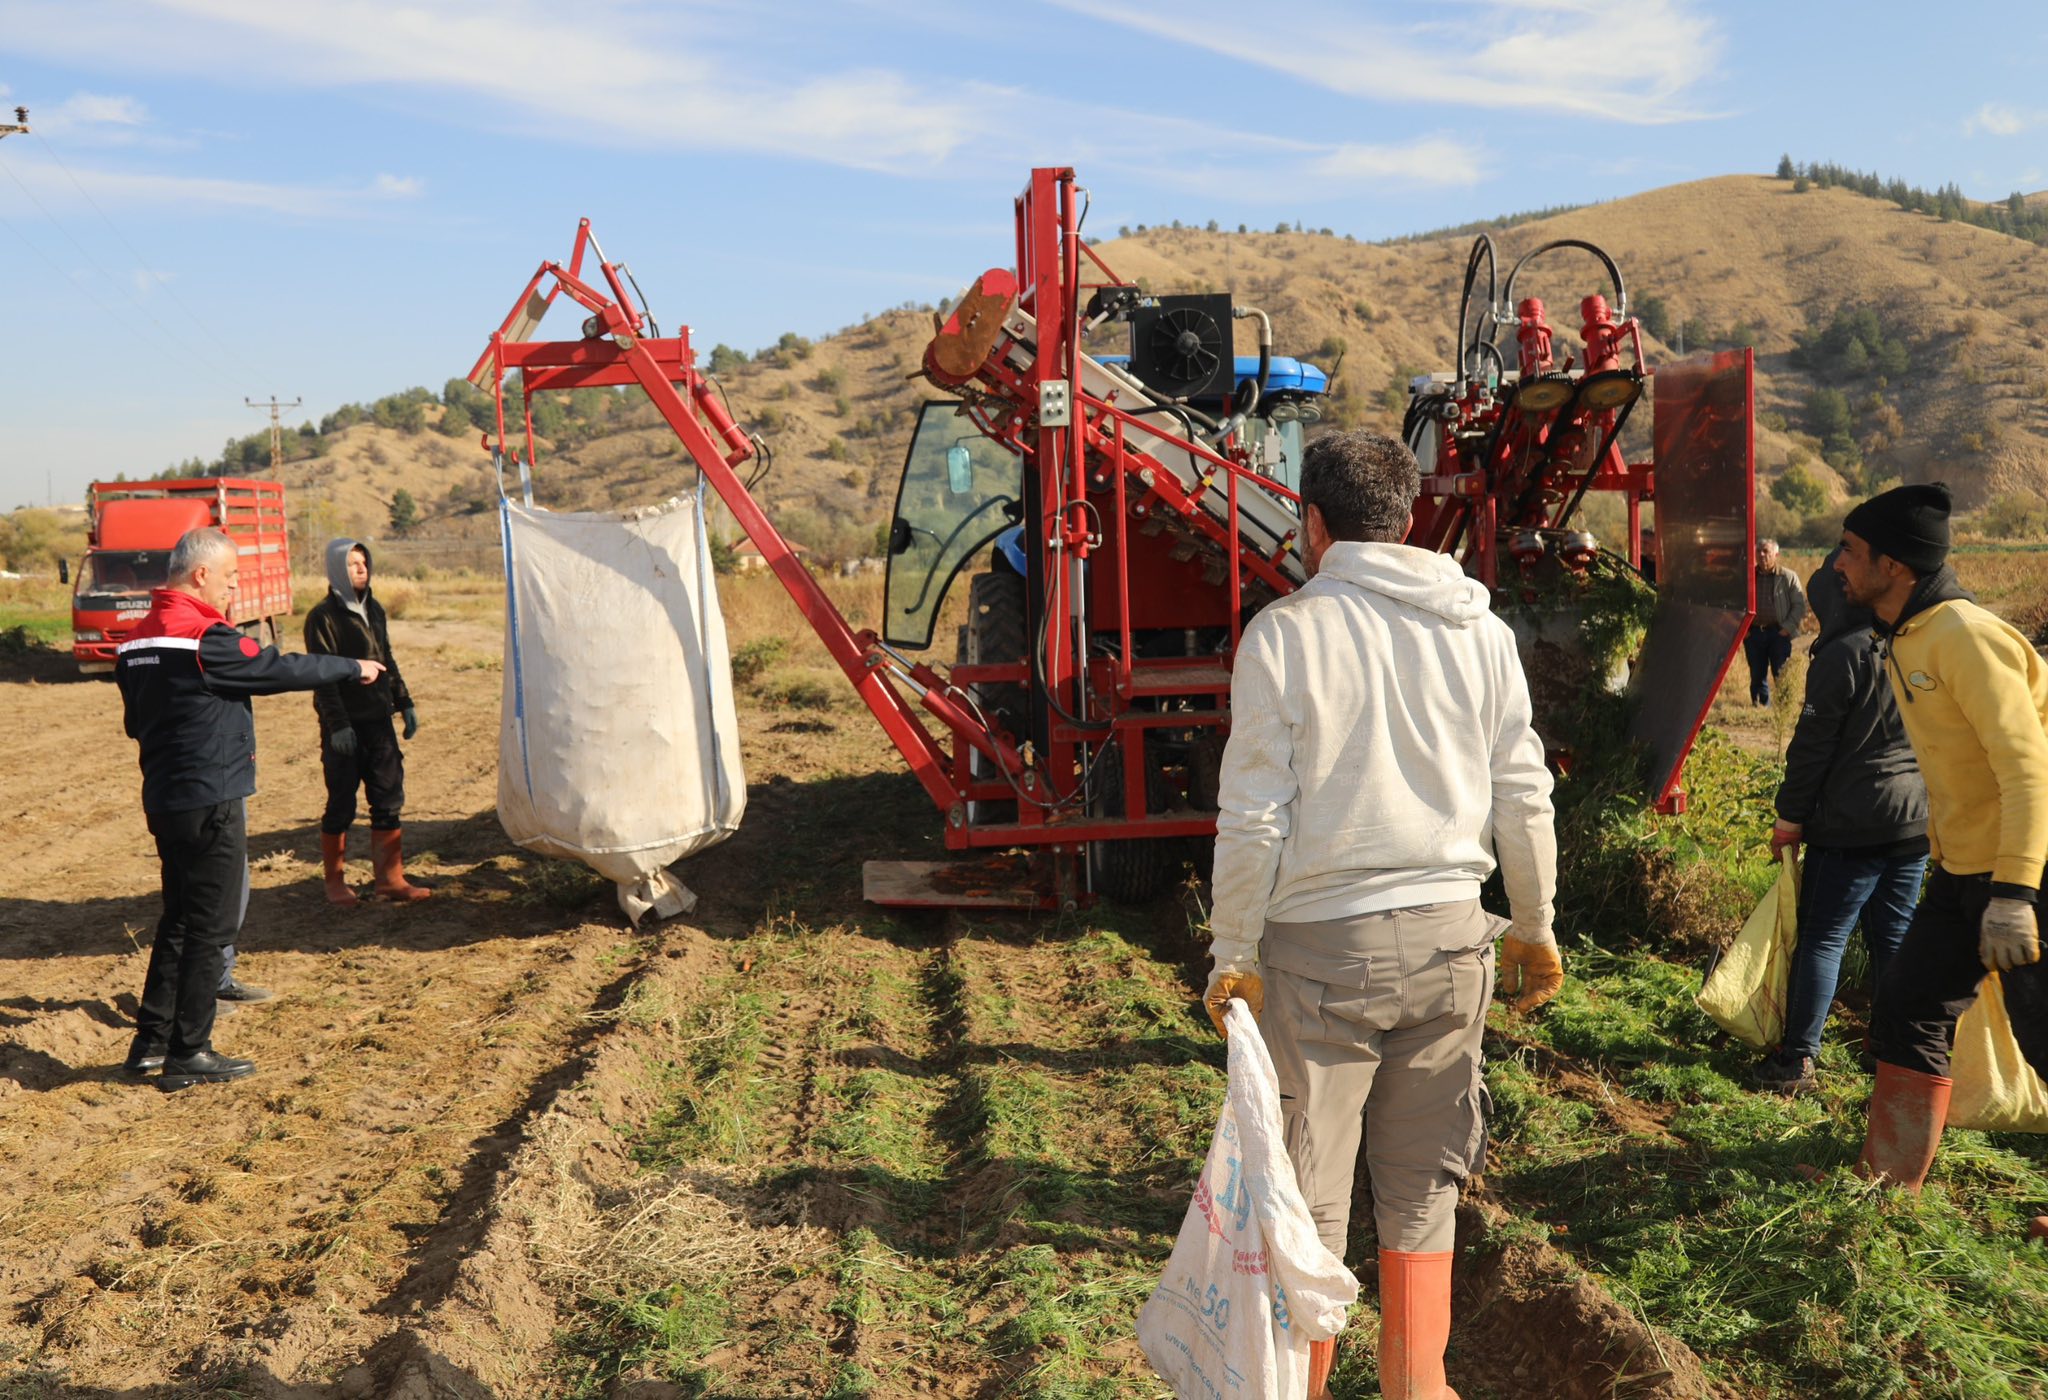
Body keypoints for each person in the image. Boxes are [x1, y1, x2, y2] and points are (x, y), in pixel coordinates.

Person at [1202, 430, 1562, 1400]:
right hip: (1454, 941)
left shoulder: (1285, 632)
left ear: (1312, 523)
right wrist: (1532, 921)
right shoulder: (1478, 629)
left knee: (1311, 1195)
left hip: (1320, 952)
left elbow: (1252, 814)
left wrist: (1232, 948)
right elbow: (1522, 789)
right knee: (1421, 1189)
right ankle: (1415, 1385)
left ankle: (1301, 1386)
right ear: (1406, 517)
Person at [1831, 482, 2048, 1190]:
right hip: (1964, 872)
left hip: (2026, 872)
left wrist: (2015, 892)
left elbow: (2026, 771)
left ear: (1894, 567)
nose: (1837, 563)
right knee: (1909, 1002)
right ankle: (1889, 1181)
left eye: (1851, 551)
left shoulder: (1966, 637)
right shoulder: (1906, 635)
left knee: (2045, 1038)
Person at [116, 527, 380, 1091]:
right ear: (201, 574)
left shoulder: (136, 639)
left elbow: (135, 723)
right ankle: (190, 1052)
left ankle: (150, 1045)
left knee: (179, 921)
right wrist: (350, 667)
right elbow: (278, 669)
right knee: (210, 928)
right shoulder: (204, 637)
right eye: (231, 576)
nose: (235, 587)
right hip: (210, 798)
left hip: (163, 797)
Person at [1756, 549, 1928, 1094]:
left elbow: (1811, 749)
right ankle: (1892, 1055)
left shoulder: (1840, 655)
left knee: (1823, 939)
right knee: (1894, 940)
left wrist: (1790, 818)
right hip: (1912, 820)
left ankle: (1797, 1060)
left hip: (1851, 825)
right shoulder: (1912, 643)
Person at [304, 539, 430, 904]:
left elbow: (385, 656)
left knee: (388, 797)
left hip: (378, 722)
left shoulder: (374, 609)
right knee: (341, 803)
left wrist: (403, 700)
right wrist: (337, 724)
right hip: (343, 726)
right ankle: (334, 883)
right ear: (335, 571)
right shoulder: (322, 617)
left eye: (364, 562)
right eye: (352, 564)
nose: (361, 569)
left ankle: (390, 880)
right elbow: (322, 675)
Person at [1744, 538, 1809, 705]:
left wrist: (1786, 629)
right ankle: (1759, 706)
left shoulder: (1787, 577)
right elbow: (1738, 603)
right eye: (1758, 551)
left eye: (1766, 551)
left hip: (1778, 633)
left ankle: (1784, 706)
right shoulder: (1749, 577)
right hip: (1754, 633)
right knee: (1757, 673)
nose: (1762, 555)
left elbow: (1799, 605)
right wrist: (1745, 630)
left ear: (1776, 554)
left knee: (1781, 672)